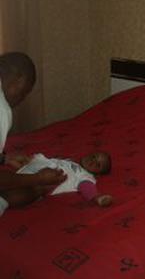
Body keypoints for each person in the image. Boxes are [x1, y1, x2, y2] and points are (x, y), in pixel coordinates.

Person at [0, 52, 67, 215]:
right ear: (19, 80)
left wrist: (4, 158)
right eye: (25, 92)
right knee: (16, 192)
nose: (22, 100)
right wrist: (38, 179)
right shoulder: (1, 109)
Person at [1, 151, 113, 210]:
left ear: (98, 174)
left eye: (97, 165)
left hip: (49, 181)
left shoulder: (85, 176)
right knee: (24, 160)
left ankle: (4, 200)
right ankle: (6, 160)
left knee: (36, 190)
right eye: (93, 157)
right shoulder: (69, 161)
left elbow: (87, 187)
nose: (92, 161)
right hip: (36, 168)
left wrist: (98, 197)